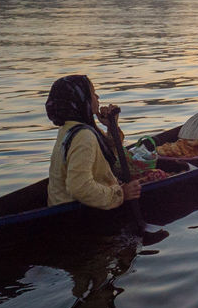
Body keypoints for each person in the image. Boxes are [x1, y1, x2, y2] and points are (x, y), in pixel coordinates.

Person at [46, 75, 142, 209]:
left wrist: (111, 126)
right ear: (81, 100)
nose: (98, 97)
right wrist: (121, 194)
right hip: (74, 215)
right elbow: (80, 187)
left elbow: (105, 159)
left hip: (60, 205)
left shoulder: (69, 128)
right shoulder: (84, 135)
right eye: (92, 93)